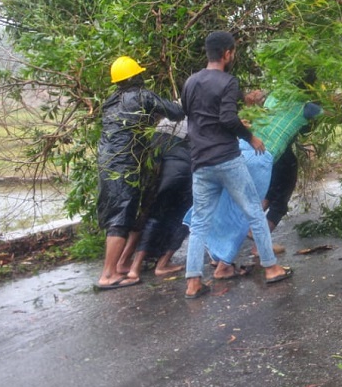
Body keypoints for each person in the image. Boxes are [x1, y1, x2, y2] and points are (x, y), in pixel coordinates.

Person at [180, 31, 291, 299]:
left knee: (200, 224)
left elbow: (191, 114)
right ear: (227, 53)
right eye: (234, 51)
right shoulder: (227, 82)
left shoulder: (191, 82)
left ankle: (193, 283)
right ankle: (271, 268)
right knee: (254, 211)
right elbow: (228, 118)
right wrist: (250, 137)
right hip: (227, 159)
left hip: (201, 162)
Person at [205, 94, 322, 278]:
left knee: (233, 207)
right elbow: (333, 114)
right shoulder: (307, 107)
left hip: (240, 149)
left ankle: (218, 260)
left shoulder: (274, 96)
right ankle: (267, 267)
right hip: (261, 154)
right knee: (252, 211)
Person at [96, 55, 184, 290]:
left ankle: (120, 267)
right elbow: (176, 112)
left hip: (108, 164)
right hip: (126, 166)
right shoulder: (143, 96)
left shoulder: (110, 101)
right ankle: (108, 275)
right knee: (121, 219)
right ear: (136, 77)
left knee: (120, 215)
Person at [124, 118, 192, 280]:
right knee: (185, 218)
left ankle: (134, 267)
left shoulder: (165, 119)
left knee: (154, 216)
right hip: (183, 166)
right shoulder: (200, 111)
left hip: (160, 172)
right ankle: (162, 264)